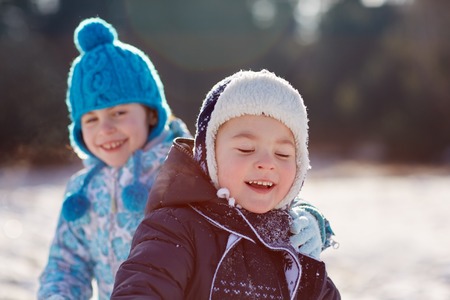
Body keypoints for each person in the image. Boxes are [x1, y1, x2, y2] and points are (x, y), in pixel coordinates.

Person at [111, 69, 340, 299]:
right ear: (209, 156)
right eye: (245, 149)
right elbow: (144, 287)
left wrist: (310, 265)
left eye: (282, 154)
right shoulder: (176, 228)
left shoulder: (293, 240)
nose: (267, 163)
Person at [37, 17, 192, 300]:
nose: (105, 129)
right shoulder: (82, 191)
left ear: (151, 113)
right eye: (91, 119)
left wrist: (300, 217)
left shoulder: (185, 171)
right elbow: (67, 264)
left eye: (118, 113)